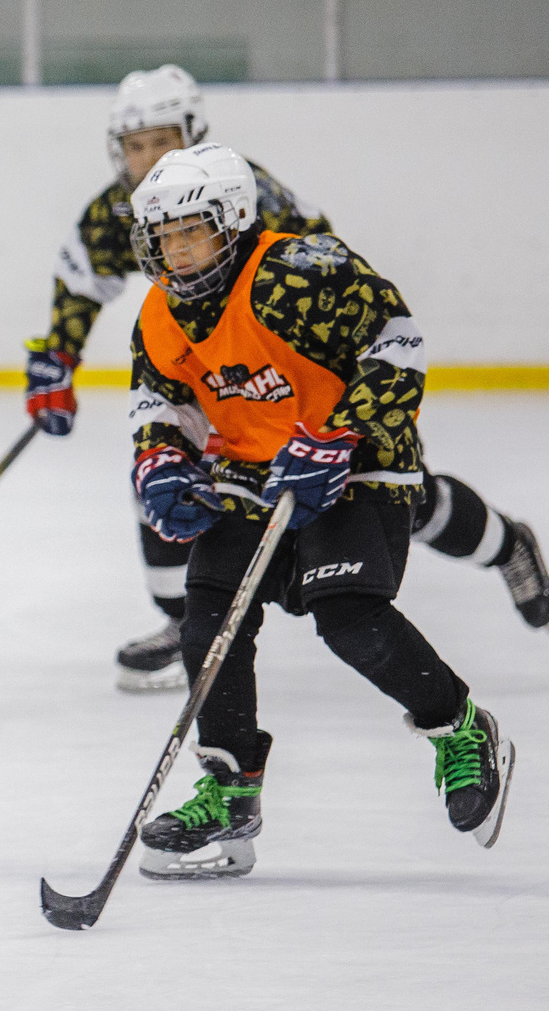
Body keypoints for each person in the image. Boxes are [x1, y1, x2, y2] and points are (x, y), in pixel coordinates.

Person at [23, 66, 544, 691]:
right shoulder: (124, 207)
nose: (146, 159)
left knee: (404, 498)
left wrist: (346, 419)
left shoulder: (247, 197)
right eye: (134, 146)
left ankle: (507, 544)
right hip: (220, 374)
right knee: (165, 471)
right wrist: (57, 357)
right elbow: (83, 278)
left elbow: (332, 294)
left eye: (160, 141)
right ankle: (186, 625)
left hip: (306, 369)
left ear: (192, 134)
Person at [123, 145, 513, 879]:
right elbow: (162, 402)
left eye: (191, 231)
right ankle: (230, 788)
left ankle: (459, 727)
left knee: (349, 618)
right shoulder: (159, 314)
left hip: (356, 463)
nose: (176, 251)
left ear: (233, 220)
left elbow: (398, 341)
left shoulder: (297, 273)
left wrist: (343, 433)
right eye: (164, 237)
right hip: (250, 472)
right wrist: (162, 458)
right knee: (208, 618)